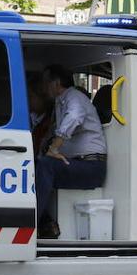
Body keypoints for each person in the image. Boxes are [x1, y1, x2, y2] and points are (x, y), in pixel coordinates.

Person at [34, 65, 107, 239]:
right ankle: (45, 223)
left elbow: (74, 118)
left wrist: (54, 148)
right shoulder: (61, 103)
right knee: (37, 165)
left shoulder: (75, 97)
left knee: (46, 166)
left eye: (45, 83)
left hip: (90, 166)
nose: (43, 89)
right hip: (78, 163)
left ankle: (32, 223)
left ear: (56, 83)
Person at [26, 73, 53, 157]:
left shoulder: (49, 122)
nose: (28, 100)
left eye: (31, 97)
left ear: (42, 98)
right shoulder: (29, 116)